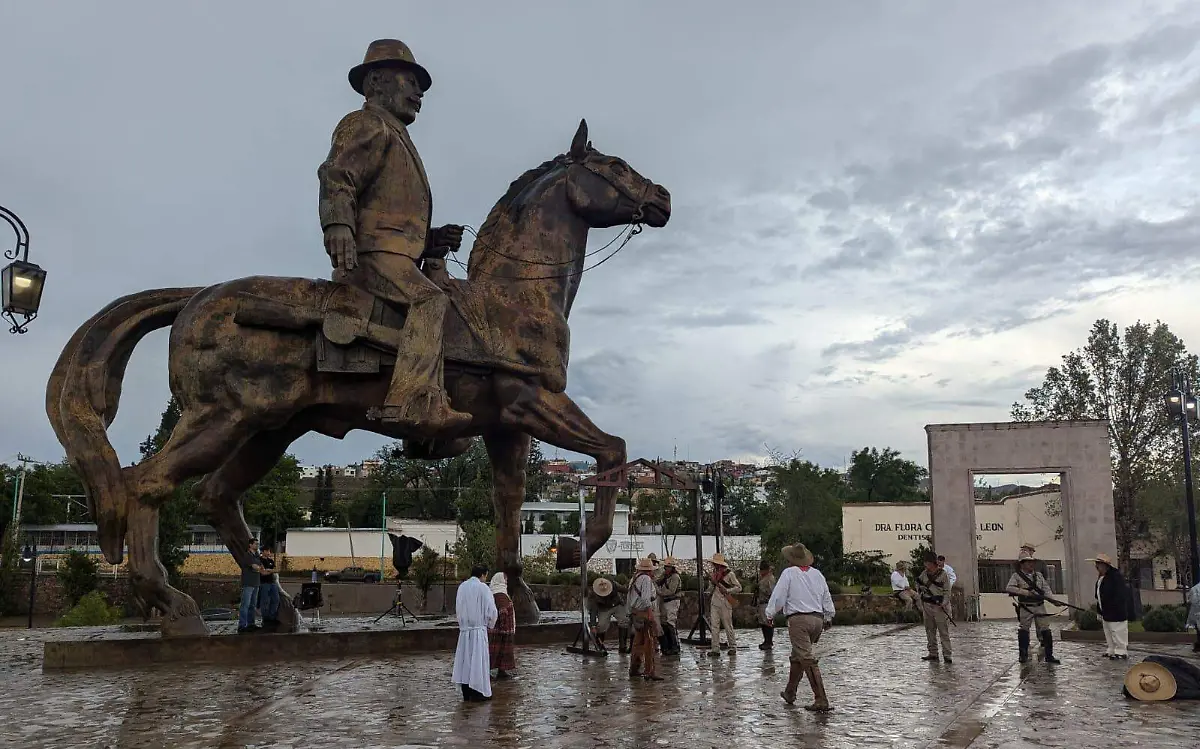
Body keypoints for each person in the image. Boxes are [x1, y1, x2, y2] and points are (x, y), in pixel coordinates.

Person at [318, 39, 471, 430]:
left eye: (419, 85)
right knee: (430, 301)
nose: (418, 92)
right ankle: (411, 402)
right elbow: (338, 174)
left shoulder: (398, 135)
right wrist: (338, 224)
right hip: (373, 255)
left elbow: (389, 216)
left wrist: (433, 239)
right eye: (409, 81)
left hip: (395, 254)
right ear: (376, 82)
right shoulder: (366, 124)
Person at [765, 543, 835, 711]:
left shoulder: (789, 573)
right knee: (798, 657)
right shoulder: (817, 574)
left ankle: (821, 699)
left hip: (798, 621)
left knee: (807, 658)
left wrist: (769, 614)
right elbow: (826, 597)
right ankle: (790, 692)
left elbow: (779, 597)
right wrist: (829, 616)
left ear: (791, 559)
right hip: (817, 620)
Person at [1005, 549, 1060, 664]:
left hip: (1039, 605)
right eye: (1028, 562)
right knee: (1024, 630)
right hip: (1026, 607)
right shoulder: (1016, 576)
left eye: (1032, 562)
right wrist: (1026, 592)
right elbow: (1009, 588)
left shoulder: (1038, 576)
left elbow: (1046, 589)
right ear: (1022, 564)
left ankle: (1049, 655)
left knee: (1046, 629)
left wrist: (1053, 600)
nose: (1031, 564)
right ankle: (1023, 655)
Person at [453, 565, 498, 701]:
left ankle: (466, 691)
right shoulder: (483, 588)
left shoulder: (462, 587)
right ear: (483, 575)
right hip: (478, 631)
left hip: (465, 631)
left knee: (465, 661)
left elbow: (458, 608)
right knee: (478, 661)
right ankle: (478, 691)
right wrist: (490, 624)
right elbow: (492, 610)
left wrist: (463, 624)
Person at [1087, 553, 1131, 659]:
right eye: (1096, 564)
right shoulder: (1102, 578)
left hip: (1116, 611)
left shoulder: (1115, 576)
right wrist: (1100, 610)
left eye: (1098, 564)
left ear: (1105, 565)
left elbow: (1119, 594)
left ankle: (1121, 651)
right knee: (1108, 631)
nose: (1096, 567)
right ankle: (1111, 649)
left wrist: (1113, 607)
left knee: (1117, 631)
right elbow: (1099, 595)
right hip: (1105, 610)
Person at [628, 558, 663, 680]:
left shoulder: (635, 578)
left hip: (636, 612)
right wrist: (650, 613)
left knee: (638, 642)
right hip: (643, 613)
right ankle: (649, 671)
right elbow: (645, 598)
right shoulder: (646, 579)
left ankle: (634, 668)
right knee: (649, 642)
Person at [916, 552, 952, 663]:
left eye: (927, 563)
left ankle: (947, 654)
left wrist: (944, 603)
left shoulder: (943, 574)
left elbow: (947, 591)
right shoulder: (924, 574)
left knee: (943, 632)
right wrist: (921, 589)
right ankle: (933, 653)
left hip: (939, 606)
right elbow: (918, 584)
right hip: (927, 605)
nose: (925, 565)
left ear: (932, 563)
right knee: (929, 630)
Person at [706, 553, 742, 657]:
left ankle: (733, 647)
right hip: (715, 602)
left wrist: (727, 590)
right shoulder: (714, 573)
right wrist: (708, 590)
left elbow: (739, 587)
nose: (714, 565)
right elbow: (711, 588)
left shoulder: (729, 574)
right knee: (714, 627)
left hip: (725, 602)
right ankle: (715, 649)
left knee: (728, 626)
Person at [587, 577, 629, 653]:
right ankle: (600, 646)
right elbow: (593, 611)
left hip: (617, 604)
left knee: (624, 620)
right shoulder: (593, 595)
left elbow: (625, 590)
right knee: (602, 626)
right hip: (603, 609)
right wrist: (593, 625)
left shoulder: (614, 584)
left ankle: (623, 646)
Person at [488, 571, 516, 678]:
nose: (506, 582)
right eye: (505, 579)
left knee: (494, 651)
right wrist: (504, 627)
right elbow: (503, 611)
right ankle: (500, 671)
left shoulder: (492, 593)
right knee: (501, 651)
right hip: (502, 630)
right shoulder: (501, 595)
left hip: (494, 628)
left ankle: (496, 671)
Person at [238, 538, 269, 633]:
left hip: (256, 583)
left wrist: (268, 571)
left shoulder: (257, 556)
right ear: (250, 545)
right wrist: (261, 569)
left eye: (258, 544)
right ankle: (242, 625)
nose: (257, 545)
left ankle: (251, 624)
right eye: (255, 544)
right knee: (245, 605)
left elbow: (261, 567)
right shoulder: (248, 555)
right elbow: (254, 566)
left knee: (252, 605)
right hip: (248, 583)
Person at [656, 557, 682, 656]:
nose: (666, 568)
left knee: (670, 623)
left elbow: (671, 591)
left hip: (673, 601)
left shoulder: (675, 577)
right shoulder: (665, 576)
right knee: (665, 623)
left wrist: (659, 593)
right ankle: (669, 646)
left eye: (668, 567)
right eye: (666, 566)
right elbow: (658, 582)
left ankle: (675, 646)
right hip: (665, 602)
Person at [754, 560, 777, 650]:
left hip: (767, 603)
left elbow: (772, 592)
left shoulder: (770, 579)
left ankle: (769, 641)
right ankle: (766, 640)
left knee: (768, 623)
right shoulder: (763, 578)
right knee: (763, 622)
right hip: (762, 602)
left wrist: (761, 588)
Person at [258, 548, 281, 628]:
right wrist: (271, 571)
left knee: (276, 599)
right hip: (264, 583)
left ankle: (272, 617)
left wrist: (269, 570)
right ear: (263, 551)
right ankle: (265, 619)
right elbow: (263, 573)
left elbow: (277, 570)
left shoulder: (270, 560)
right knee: (265, 601)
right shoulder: (260, 560)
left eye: (269, 551)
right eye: (267, 551)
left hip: (272, 583)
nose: (268, 552)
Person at [1186, 578, 1200, 653]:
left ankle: (1198, 646)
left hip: (1197, 614)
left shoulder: (1194, 589)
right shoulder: (1195, 589)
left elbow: (1191, 601)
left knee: (1198, 631)